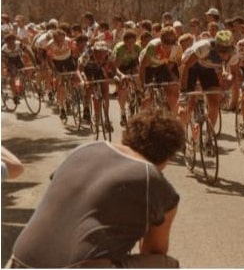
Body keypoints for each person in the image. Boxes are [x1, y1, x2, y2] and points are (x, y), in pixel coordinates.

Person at [9, 109, 183, 268]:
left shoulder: (84, 149)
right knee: (166, 264)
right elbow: (153, 250)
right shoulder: (153, 179)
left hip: (17, 262)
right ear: (168, 156)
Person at [180, 30, 239, 129]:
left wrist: (226, 87)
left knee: (214, 103)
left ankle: (209, 136)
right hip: (193, 65)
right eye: (221, 50)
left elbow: (234, 74)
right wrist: (183, 90)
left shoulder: (234, 54)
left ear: (231, 48)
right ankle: (182, 128)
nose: (223, 53)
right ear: (215, 46)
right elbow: (186, 67)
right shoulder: (204, 47)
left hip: (209, 68)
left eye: (226, 50)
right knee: (190, 102)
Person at [139, 27, 182, 113]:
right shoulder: (153, 47)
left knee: (172, 90)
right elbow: (143, 67)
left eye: (172, 42)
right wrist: (143, 85)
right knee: (148, 97)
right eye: (166, 41)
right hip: (148, 66)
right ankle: (142, 115)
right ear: (161, 40)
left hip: (162, 64)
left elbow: (177, 65)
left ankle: (172, 116)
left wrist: (177, 81)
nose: (169, 45)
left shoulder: (177, 48)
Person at [113, 30, 142, 126]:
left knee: (138, 76)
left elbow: (140, 64)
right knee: (122, 89)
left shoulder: (138, 48)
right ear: (124, 42)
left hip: (132, 65)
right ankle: (122, 112)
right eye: (129, 43)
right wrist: (122, 76)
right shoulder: (120, 49)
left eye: (133, 42)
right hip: (121, 67)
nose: (131, 45)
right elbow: (115, 67)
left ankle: (138, 93)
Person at [1, 33, 35, 104]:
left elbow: (29, 52)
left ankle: (19, 87)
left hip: (18, 60)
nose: (11, 44)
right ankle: (15, 94)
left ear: (14, 40)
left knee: (21, 76)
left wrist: (34, 63)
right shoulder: (4, 49)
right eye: (9, 43)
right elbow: (4, 61)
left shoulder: (19, 44)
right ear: (6, 43)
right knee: (13, 77)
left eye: (12, 42)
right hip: (9, 62)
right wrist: (7, 69)